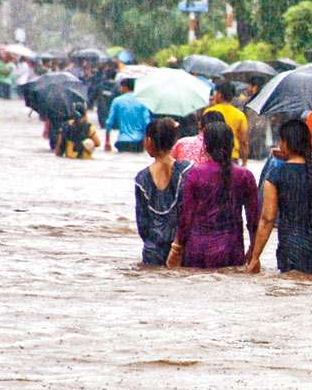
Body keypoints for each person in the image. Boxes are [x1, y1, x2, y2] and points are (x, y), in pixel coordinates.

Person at [246, 119, 312, 275]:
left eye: (281, 140)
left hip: (294, 252)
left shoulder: (276, 175)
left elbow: (267, 219)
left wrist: (255, 257)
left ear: (286, 143)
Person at [168, 122, 259, 269]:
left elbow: (186, 216)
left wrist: (177, 248)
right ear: (231, 145)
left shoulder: (194, 174)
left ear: (205, 146)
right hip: (232, 250)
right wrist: (254, 251)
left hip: (197, 250)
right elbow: (253, 218)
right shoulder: (245, 176)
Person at [135, 119, 192, 266]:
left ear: (149, 141)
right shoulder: (186, 169)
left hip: (153, 249)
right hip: (181, 247)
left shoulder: (142, 178)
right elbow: (190, 212)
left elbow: (142, 223)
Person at [203, 82, 249, 165]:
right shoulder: (240, 115)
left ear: (220, 95)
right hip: (232, 156)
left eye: (215, 93)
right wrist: (244, 162)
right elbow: (243, 141)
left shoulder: (209, 112)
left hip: (211, 156)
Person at [104, 78, 153, 153]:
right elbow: (147, 123)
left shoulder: (117, 101)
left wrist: (107, 141)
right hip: (138, 141)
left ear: (125, 87)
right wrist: (146, 141)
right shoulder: (142, 101)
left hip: (122, 141)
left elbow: (109, 122)